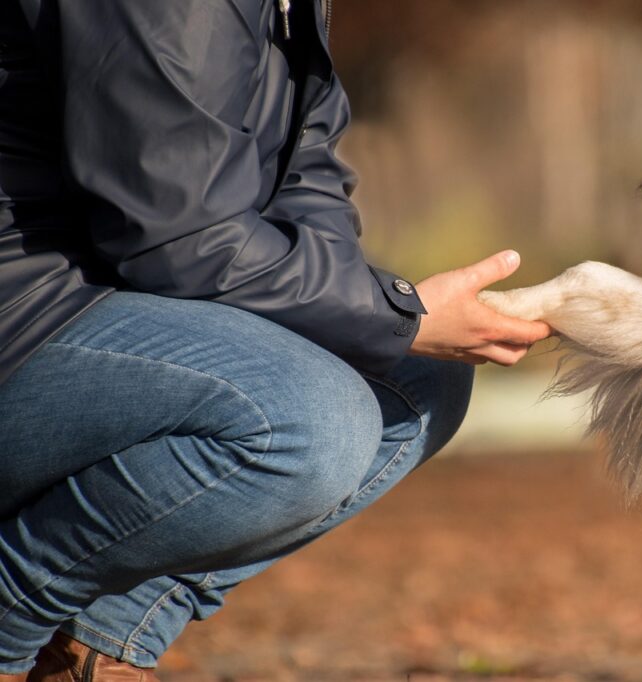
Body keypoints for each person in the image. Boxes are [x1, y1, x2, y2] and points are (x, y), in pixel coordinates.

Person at [0, 0, 551, 679]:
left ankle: (96, 639)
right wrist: (398, 316)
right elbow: (180, 236)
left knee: (413, 379)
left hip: (101, 293)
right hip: (25, 311)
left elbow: (304, 169)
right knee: (310, 419)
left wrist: (385, 320)